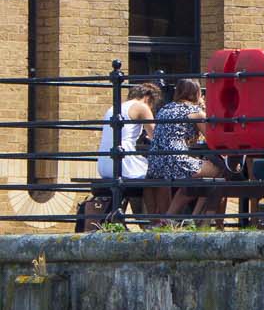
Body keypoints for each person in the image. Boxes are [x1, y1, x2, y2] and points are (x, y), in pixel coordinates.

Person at [148, 78, 225, 221]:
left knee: (191, 180)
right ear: (196, 93)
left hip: (156, 162)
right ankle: (198, 218)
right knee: (218, 170)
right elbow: (213, 139)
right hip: (176, 161)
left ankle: (169, 218)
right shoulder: (194, 111)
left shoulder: (165, 108)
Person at [95, 81, 161, 217]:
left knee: (147, 171)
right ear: (148, 98)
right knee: (156, 176)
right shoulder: (142, 106)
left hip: (104, 164)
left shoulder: (116, 107)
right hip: (123, 162)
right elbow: (156, 136)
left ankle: (137, 219)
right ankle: (156, 219)